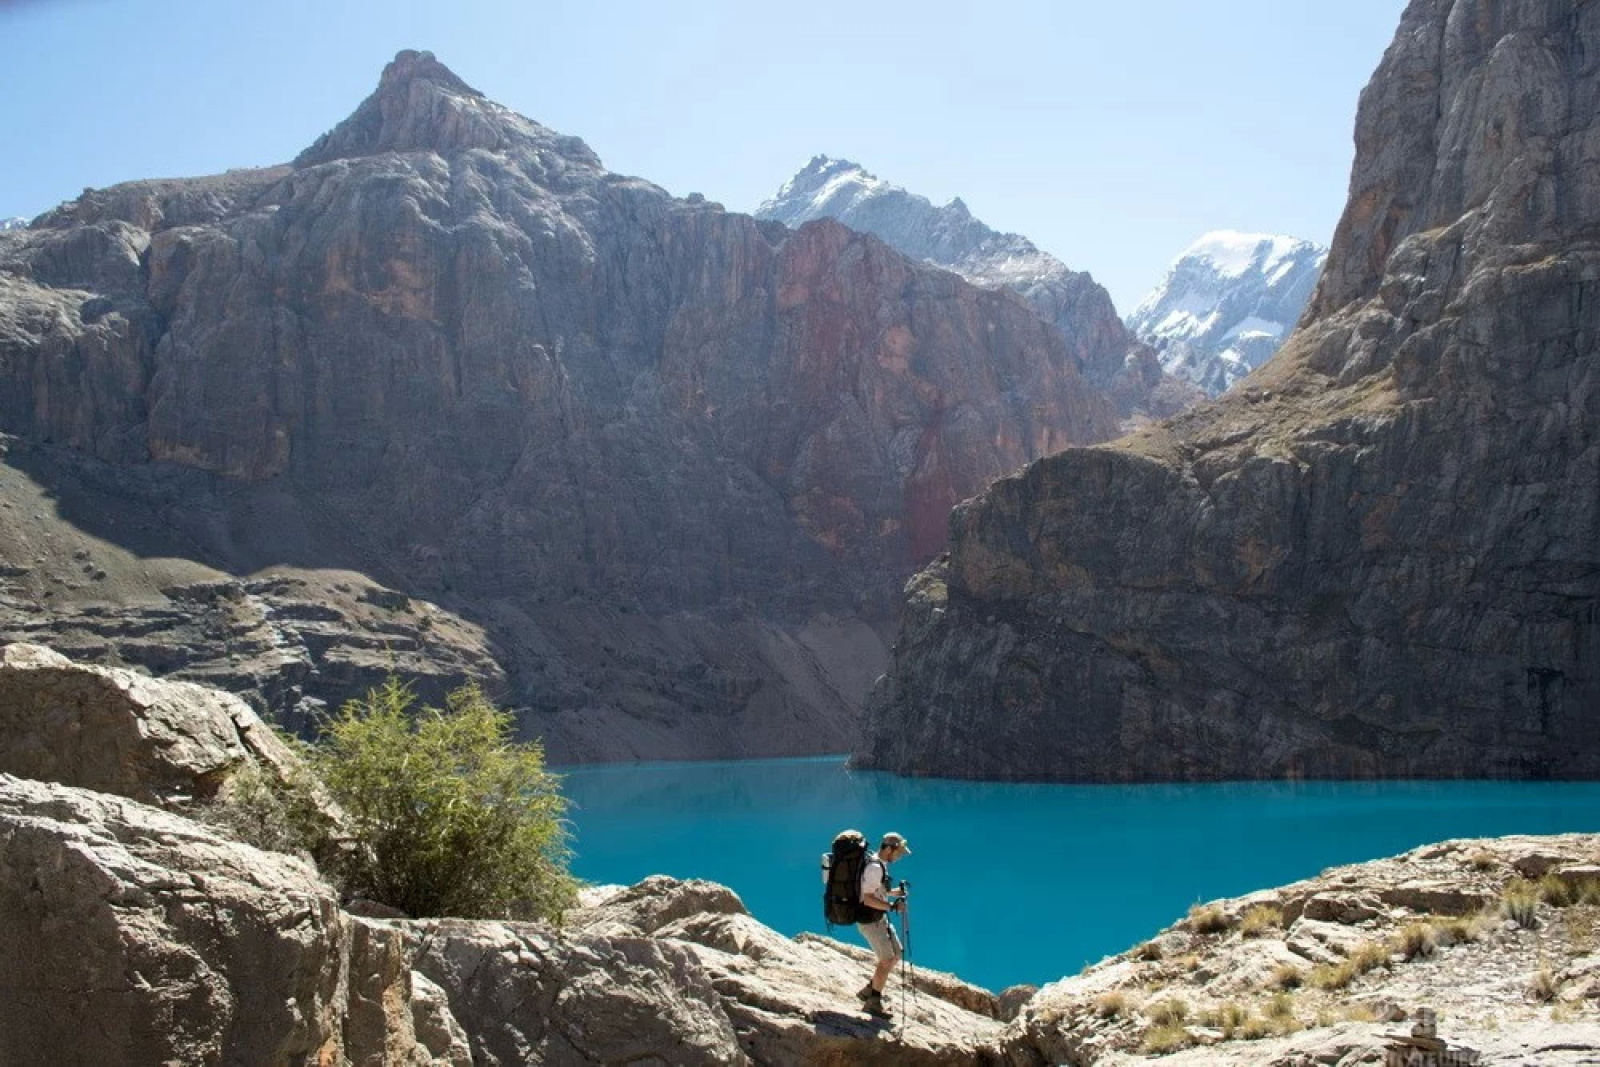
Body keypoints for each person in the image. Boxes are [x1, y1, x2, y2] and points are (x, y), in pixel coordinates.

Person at [855, 831, 911, 1017]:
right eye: (899, 852)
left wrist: (896, 893)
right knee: (887, 959)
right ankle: (873, 1002)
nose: (900, 856)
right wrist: (893, 907)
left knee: (896, 953)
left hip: (878, 918)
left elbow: (879, 892)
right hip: (869, 920)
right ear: (888, 848)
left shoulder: (881, 864)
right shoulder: (874, 868)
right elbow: (867, 898)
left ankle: (870, 989)